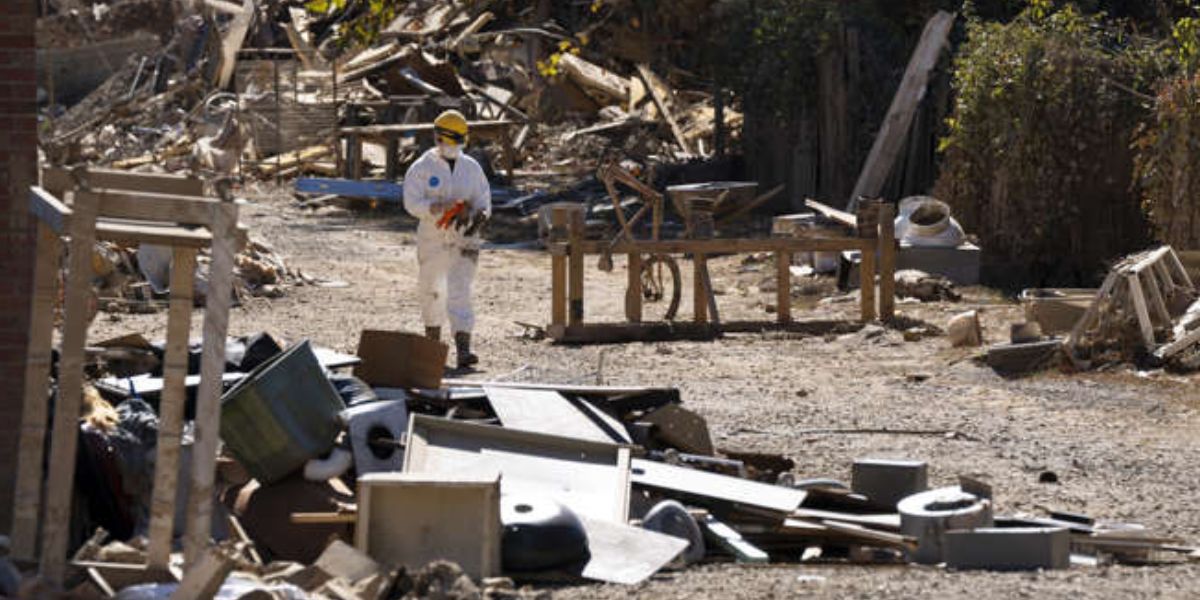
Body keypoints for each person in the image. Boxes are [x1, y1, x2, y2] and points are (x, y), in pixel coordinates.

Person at [403, 110, 491, 368]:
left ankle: (464, 350)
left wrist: (478, 215)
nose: (452, 148)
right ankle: (433, 348)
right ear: (437, 137)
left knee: (460, 290)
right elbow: (411, 203)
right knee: (432, 290)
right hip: (433, 239)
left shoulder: (471, 168)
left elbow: (484, 200)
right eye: (448, 142)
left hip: (465, 240)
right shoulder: (421, 168)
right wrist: (437, 208)